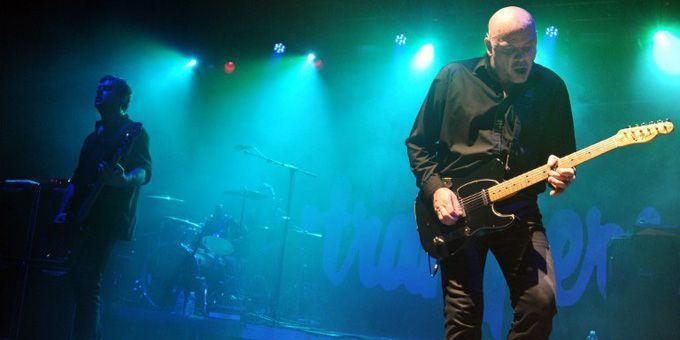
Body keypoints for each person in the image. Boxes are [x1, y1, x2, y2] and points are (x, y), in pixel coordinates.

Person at [405, 6, 576, 339]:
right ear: (489, 46)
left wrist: (561, 172)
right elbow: (419, 144)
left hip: (520, 211)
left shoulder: (551, 88)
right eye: (511, 50)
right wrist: (437, 190)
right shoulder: (452, 77)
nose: (522, 57)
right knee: (463, 318)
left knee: (541, 303)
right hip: (458, 214)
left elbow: (563, 155)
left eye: (529, 47)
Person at [54, 75, 152, 339]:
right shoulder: (92, 137)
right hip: (82, 216)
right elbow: (78, 178)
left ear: (122, 99)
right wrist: (63, 210)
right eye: (98, 87)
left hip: (108, 217)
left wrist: (123, 180)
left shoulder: (133, 132)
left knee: (89, 282)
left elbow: (144, 170)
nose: (98, 90)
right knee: (77, 281)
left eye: (106, 89)